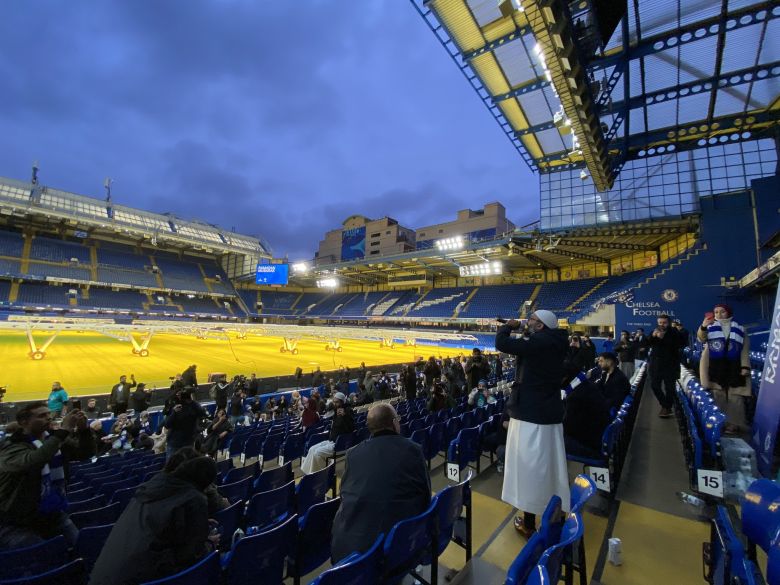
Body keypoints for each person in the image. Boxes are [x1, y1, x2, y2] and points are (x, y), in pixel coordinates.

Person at [495, 310, 570, 538]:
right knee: (550, 468)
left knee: (530, 468)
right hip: (547, 411)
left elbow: (502, 343)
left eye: (532, 320)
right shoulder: (555, 341)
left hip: (531, 413)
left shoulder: (540, 343)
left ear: (540, 326)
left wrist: (508, 326)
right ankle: (556, 514)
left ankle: (529, 522)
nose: (528, 322)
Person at [88, 455, 219, 585]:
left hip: (105, 574)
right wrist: (208, 543)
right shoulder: (194, 498)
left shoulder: (154, 486)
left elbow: (160, 526)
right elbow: (190, 555)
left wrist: (196, 526)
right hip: (139, 578)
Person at [330, 403, 431, 563]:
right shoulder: (413, 449)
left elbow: (345, 495)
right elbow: (425, 495)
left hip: (355, 550)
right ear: (393, 423)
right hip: (404, 544)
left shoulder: (353, 454)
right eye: (397, 419)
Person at [0, 404, 81, 549]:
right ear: (24, 422)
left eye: (48, 414)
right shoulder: (11, 447)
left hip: (51, 513)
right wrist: (64, 431)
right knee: (45, 558)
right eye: (41, 416)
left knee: (83, 548)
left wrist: (84, 429)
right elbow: (34, 460)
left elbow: (84, 453)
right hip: (17, 521)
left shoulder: (53, 439)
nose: (48, 418)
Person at [697, 304, 751, 434]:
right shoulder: (709, 327)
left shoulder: (740, 328)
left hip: (734, 366)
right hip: (715, 365)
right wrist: (703, 325)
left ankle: (734, 423)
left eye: (722, 312)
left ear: (728, 313)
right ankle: (720, 422)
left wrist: (745, 366)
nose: (718, 314)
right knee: (718, 394)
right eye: (716, 312)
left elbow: (744, 349)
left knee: (735, 396)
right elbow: (701, 338)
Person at [561, 363, 611, 459]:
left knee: (554, 439)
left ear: (565, 377)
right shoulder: (585, 385)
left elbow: (568, 428)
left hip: (590, 445)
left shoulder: (576, 396)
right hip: (597, 437)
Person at [301, 392, 354, 474]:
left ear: (342, 402)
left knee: (317, 453)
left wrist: (344, 416)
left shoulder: (348, 411)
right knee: (311, 449)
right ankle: (308, 473)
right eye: (334, 401)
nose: (335, 404)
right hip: (331, 440)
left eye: (337, 402)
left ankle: (321, 474)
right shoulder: (336, 411)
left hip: (338, 444)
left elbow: (350, 429)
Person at [648, 314, 684, 418]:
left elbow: (681, 344)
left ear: (668, 322)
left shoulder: (674, 332)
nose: (662, 325)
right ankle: (665, 405)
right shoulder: (654, 331)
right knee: (654, 386)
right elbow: (646, 343)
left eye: (664, 323)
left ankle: (666, 408)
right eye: (660, 322)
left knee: (670, 388)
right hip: (656, 365)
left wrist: (663, 338)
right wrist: (653, 336)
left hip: (670, 365)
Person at [163, 390, 207, 459]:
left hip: (176, 442)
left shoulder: (177, 409)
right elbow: (203, 414)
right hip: (188, 441)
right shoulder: (194, 407)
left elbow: (167, 425)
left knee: (172, 465)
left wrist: (174, 412)